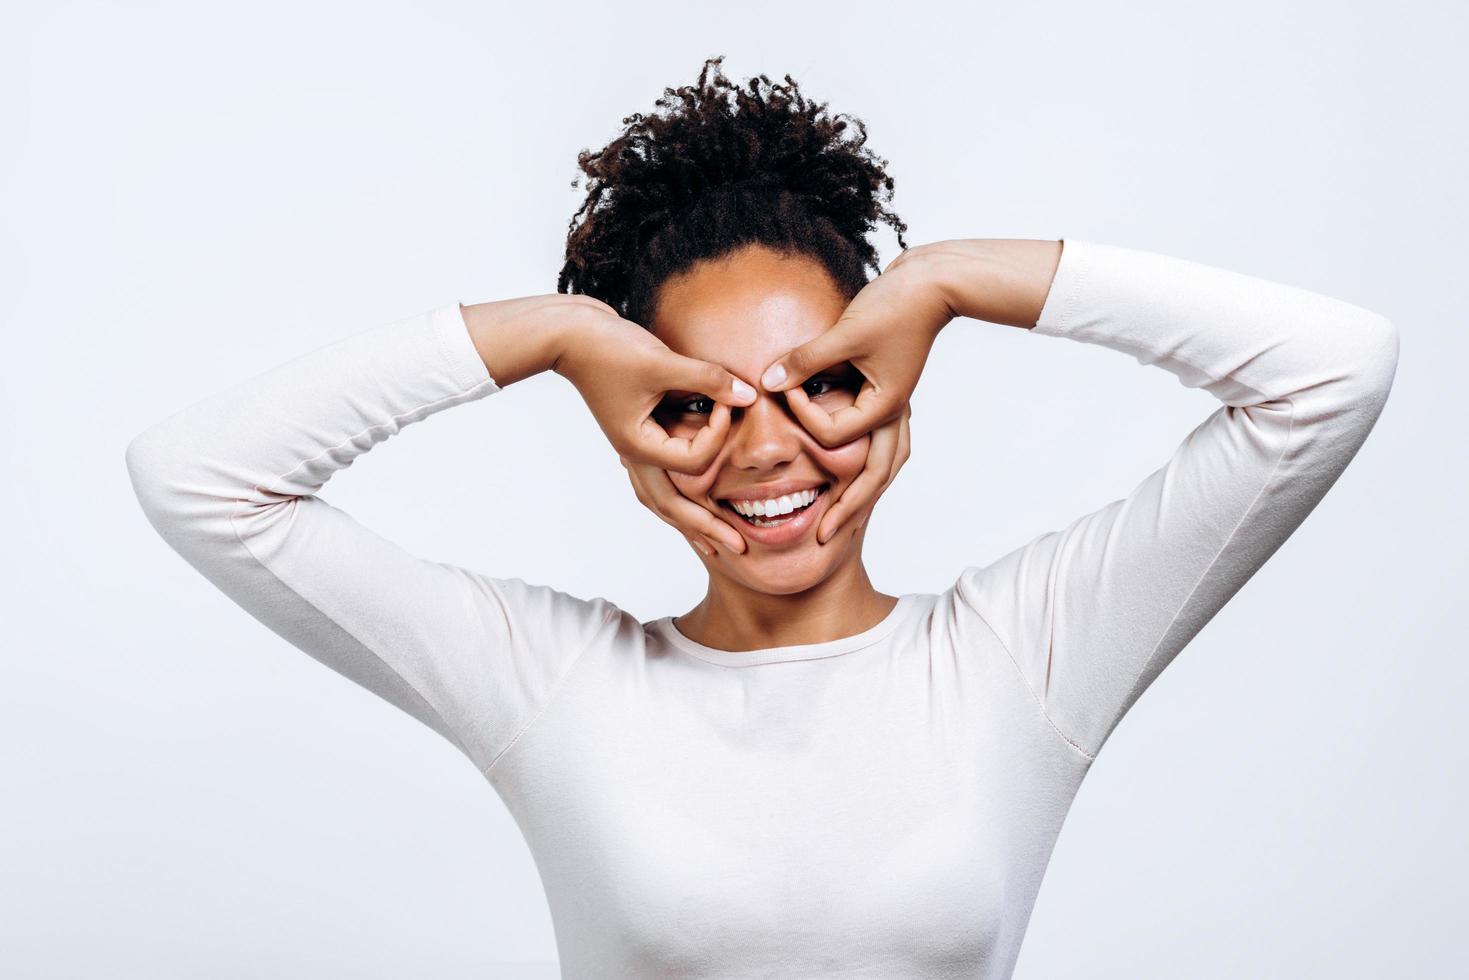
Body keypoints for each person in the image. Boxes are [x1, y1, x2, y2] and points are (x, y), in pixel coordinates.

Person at [125, 56, 1399, 979]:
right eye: (698, 402)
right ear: (637, 432)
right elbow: (201, 477)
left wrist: (949, 279)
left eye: (826, 382)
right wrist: (560, 337)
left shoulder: (1024, 656)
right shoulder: (555, 682)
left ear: (895, 396)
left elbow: (1329, 372)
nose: (769, 447)